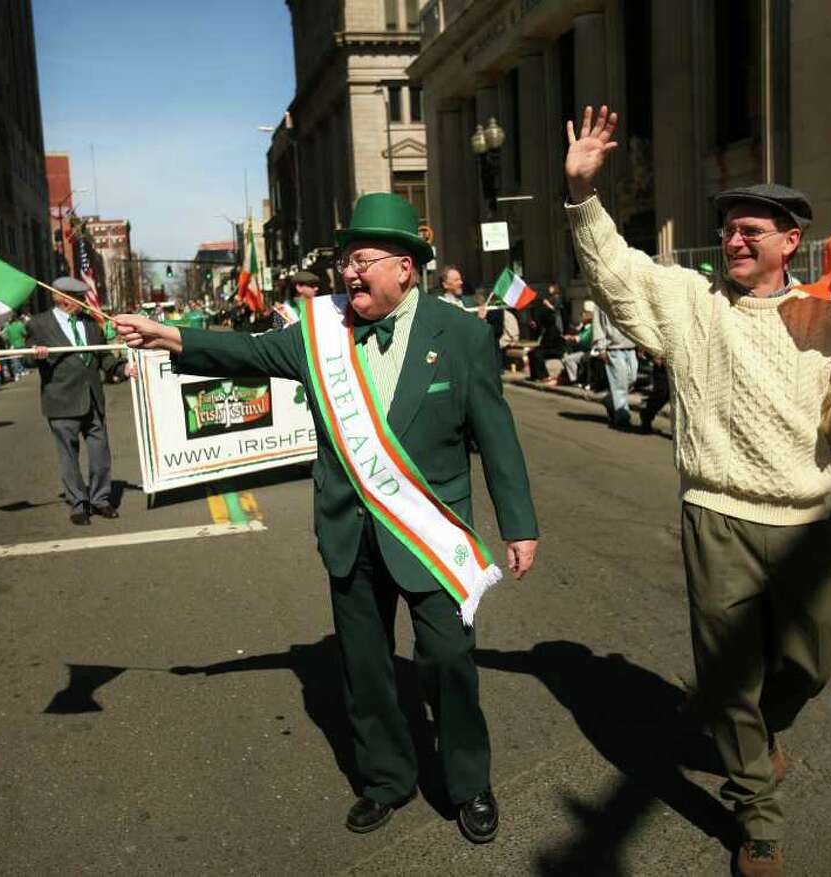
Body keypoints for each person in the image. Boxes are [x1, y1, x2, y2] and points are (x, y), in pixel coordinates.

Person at [114, 193, 539, 845]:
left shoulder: (460, 334)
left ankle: (468, 782)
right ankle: (386, 779)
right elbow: (248, 353)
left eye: (362, 260)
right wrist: (167, 335)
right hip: (350, 532)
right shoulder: (319, 330)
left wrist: (519, 523)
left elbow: (495, 433)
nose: (349, 272)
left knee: (449, 660)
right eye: (346, 261)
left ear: (404, 267)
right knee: (365, 668)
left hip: (429, 534)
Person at [565, 106, 831, 877]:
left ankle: (755, 732)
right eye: (729, 229)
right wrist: (582, 194)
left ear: (790, 242)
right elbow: (616, 271)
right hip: (717, 516)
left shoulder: (829, 320)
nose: (735, 241)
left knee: (810, 664)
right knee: (730, 677)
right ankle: (757, 816)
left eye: (752, 231)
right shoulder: (690, 301)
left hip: (802, 520)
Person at [29, 277, 129, 525]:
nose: (84, 302)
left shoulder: (91, 324)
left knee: (100, 454)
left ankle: (100, 499)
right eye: (79, 298)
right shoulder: (39, 324)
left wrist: (122, 369)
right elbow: (25, 357)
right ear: (62, 299)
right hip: (61, 400)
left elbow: (104, 357)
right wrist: (36, 354)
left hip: (93, 399)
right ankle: (78, 503)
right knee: (68, 456)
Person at [589, 301, 637, 427]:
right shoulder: (601, 301)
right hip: (613, 349)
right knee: (620, 384)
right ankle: (622, 417)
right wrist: (601, 349)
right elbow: (598, 325)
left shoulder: (630, 299)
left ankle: (610, 400)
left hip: (631, 347)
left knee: (631, 379)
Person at [526, 284, 567, 382]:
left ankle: (544, 376)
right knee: (532, 353)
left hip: (556, 350)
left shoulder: (553, 329)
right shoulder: (546, 329)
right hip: (548, 348)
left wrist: (538, 347)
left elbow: (548, 344)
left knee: (537, 354)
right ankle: (534, 376)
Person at [560, 302, 596, 386]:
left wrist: (572, 338)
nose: (582, 315)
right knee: (566, 358)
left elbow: (583, 338)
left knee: (569, 359)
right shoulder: (584, 325)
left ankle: (576, 380)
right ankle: (575, 379)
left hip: (589, 351)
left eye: (584, 313)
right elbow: (579, 335)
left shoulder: (591, 326)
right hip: (583, 349)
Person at [1, 313, 29, 382]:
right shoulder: (20, 325)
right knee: (21, 358)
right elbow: (25, 333)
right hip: (21, 344)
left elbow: (6, 338)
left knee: (15, 360)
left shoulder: (8, 328)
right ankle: (22, 370)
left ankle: (18, 372)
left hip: (12, 345)